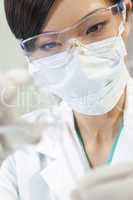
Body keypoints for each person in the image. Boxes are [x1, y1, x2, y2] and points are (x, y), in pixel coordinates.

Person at [0, 0, 133, 199]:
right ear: (30, 56)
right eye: (50, 44)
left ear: (126, 16)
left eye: (94, 28)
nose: (81, 61)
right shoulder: (18, 152)